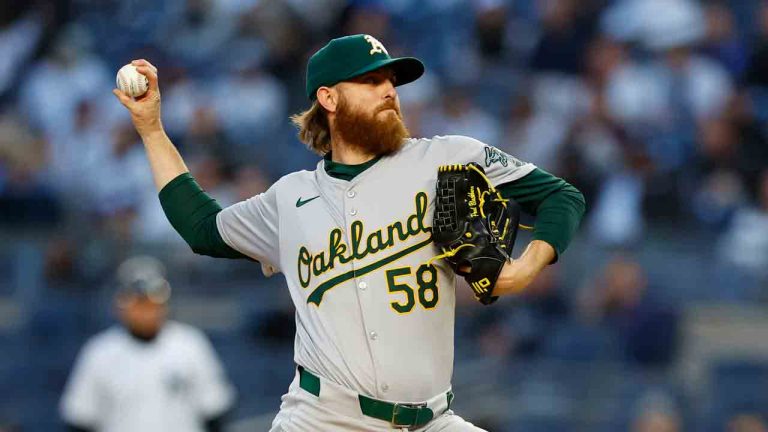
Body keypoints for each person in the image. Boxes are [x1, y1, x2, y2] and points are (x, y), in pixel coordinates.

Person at [113, 34, 585, 431]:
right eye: (370, 80)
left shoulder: (446, 158)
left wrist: (524, 269)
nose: (389, 90)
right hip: (323, 419)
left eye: (391, 80)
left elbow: (563, 197)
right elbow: (202, 229)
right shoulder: (290, 198)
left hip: (432, 420)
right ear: (328, 98)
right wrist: (152, 130)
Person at [59, 256, 235, 432]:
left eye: (152, 302)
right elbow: (80, 418)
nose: (145, 311)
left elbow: (215, 410)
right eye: (137, 302)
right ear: (120, 305)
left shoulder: (190, 344)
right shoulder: (99, 352)